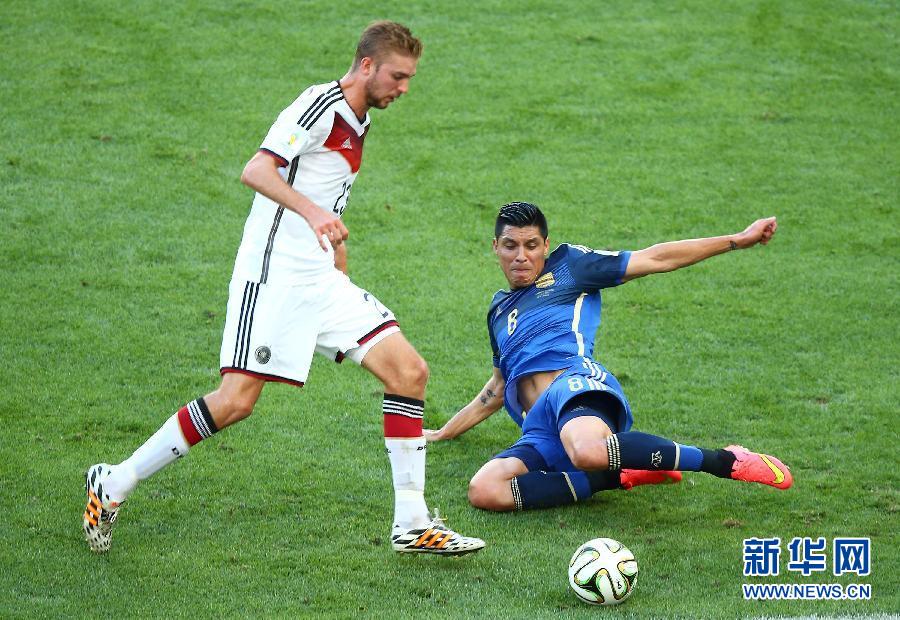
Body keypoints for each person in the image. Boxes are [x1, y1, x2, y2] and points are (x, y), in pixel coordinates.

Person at [83, 21, 484, 556]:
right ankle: (115, 482)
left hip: (319, 277)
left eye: (409, 78)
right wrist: (315, 214)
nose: (404, 88)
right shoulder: (318, 104)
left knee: (409, 372)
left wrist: (336, 250)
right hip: (272, 277)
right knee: (234, 403)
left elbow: (324, 185)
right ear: (367, 66)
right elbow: (257, 170)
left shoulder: (361, 119)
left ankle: (411, 524)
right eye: (398, 76)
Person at [425, 202, 792, 512]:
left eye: (531, 245)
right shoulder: (498, 310)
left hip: (573, 384)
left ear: (546, 245)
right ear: (495, 247)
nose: (521, 256)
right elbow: (497, 387)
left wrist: (737, 240)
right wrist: (444, 432)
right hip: (539, 424)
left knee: (585, 449)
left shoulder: (571, 266)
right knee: (485, 490)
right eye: (510, 245)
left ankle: (724, 460)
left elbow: (655, 258)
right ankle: (617, 473)